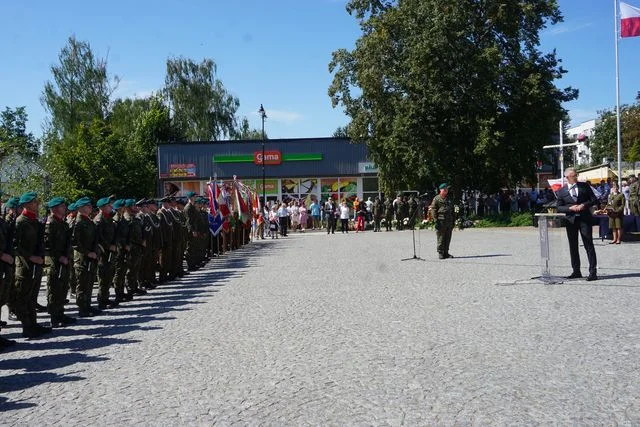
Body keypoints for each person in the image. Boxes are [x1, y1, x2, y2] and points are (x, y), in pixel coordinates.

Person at [14, 192, 51, 338]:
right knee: (23, 296)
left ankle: (34, 324)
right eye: (35, 202)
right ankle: (27, 326)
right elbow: (15, 246)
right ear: (27, 204)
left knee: (32, 296)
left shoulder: (35, 222)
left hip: (36, 264)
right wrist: (31, 257)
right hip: (25, 265)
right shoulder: (20, 222)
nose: (38, 204)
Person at [555, 167, 599, 281]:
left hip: (585, 219)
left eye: (576, 175)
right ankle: (576, 271)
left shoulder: (584, 186)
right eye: (574, 175)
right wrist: (570, 208)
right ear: (567, 177)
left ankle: (593, 272)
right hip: (571, 221)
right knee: (573, 246)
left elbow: (594, 200)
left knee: (588, 245)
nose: (576, 177)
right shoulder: (561, 191)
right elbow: (558, 207)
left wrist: (583, 205)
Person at [44, 197, 76, 327]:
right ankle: (54, 316)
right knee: (54, 288)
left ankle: (60, 312)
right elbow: (47, 246)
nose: (65, 208)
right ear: (55, 209)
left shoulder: (62, 224)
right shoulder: (50, 224)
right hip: (54, 261)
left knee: (63, 287)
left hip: (64, 259)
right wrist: (59, 257)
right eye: (62, 206)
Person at [428, 184, 454, 259]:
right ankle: (440, 252)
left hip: (448, 220)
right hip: (441, 221)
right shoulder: (436, 199)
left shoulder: (448, 198)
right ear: (441, 190)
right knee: (440, 237)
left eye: (447, 189)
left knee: (448, 237)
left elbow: (451, 209)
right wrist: (436, 220)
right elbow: (433, 210)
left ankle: (446, 252)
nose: (446, 191)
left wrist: (453, 219)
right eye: (444, 189)